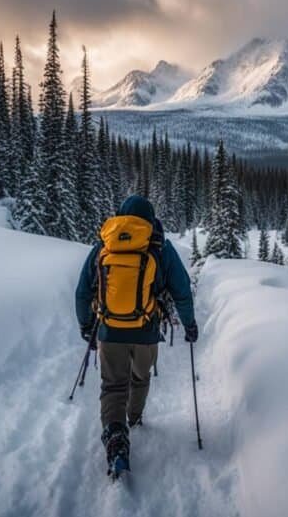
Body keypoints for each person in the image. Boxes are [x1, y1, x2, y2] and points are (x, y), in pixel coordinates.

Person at [74, 195, 197, 475]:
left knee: (113, 385)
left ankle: (116, 435)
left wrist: (86, 325)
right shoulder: (161, 248)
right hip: (146, 333)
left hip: (109, 331)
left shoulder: (104, 246)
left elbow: (83, 291)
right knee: (140, 378)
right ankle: (135, 417)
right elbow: (182, 290)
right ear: (151, 220)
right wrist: (189, 324)